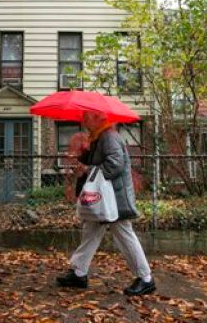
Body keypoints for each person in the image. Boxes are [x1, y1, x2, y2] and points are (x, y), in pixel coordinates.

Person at [56, 110, 155, 296]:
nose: (84, 121)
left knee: (124, 234)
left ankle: (145, 278)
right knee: (91, 232)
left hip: (115, 199)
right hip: (104, 198)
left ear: (97, 118)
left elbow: (115, 164)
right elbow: (100, 160)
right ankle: (79, 273)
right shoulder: (99, 137)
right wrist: (84, 154)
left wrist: (88, 169)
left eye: (87, 117)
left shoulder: (109, 137)